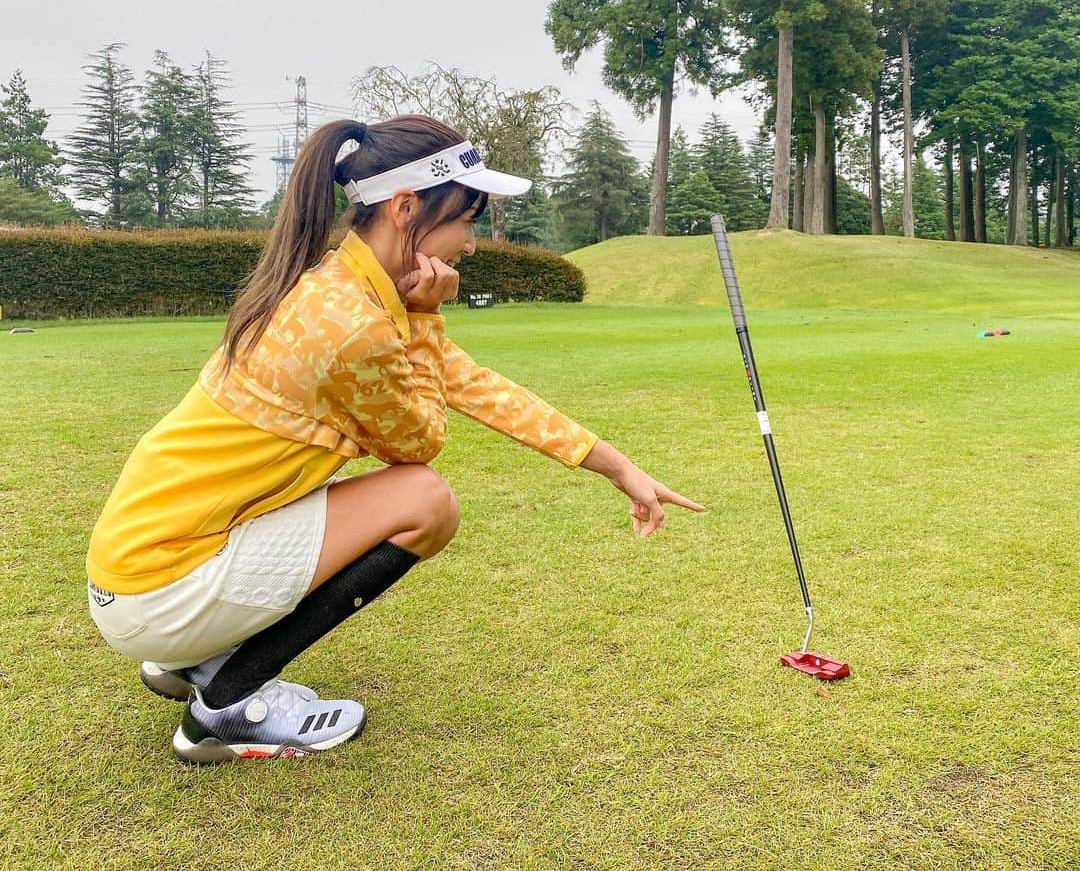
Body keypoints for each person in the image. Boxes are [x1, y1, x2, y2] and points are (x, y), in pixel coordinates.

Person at [86, 116, 704, 764]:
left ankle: (194, 662)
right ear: (406, 208)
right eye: (466, 218)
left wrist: (616, 466)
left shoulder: (340, 288)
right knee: (425, 503)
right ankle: (227, 704)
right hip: (158, 589)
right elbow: (419, 445)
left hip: (141, 571)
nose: (470, 242)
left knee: (399, 495)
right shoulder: (353, 322)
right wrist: (428, 317)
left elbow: (470, 383)